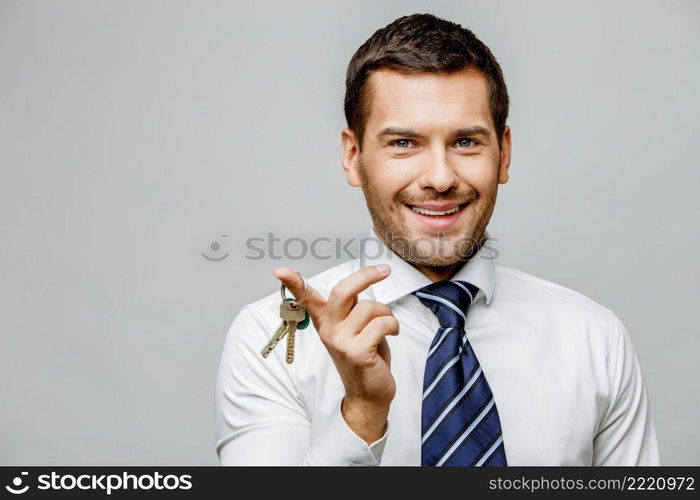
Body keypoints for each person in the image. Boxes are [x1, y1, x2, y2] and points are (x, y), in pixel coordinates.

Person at [214, 12, 659, 466]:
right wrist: (363, 414)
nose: (441, 178)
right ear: (353, 157)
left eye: (466, 142)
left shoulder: (594, 338)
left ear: (504, 154)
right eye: (404, 143)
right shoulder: (266, 336)